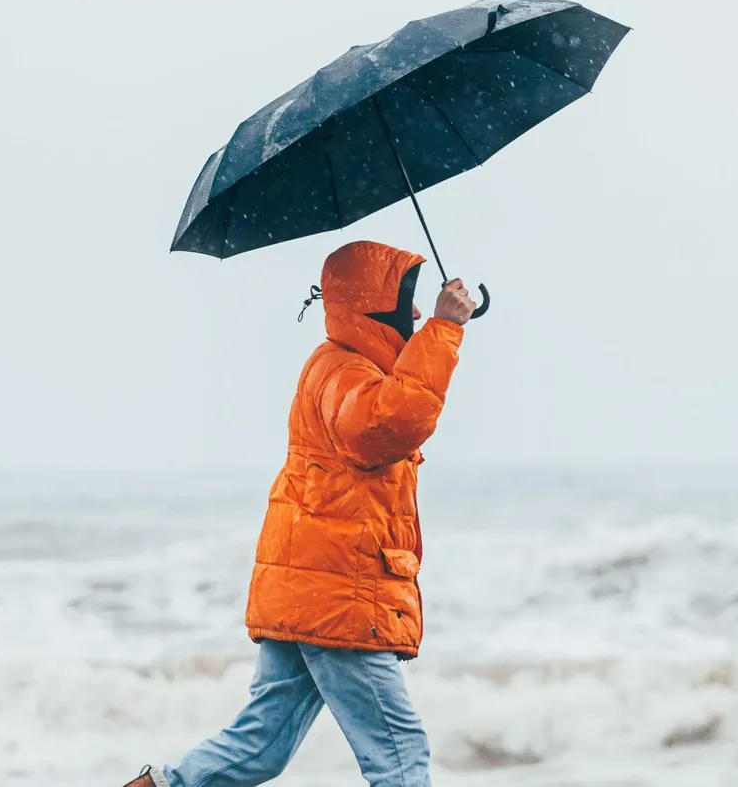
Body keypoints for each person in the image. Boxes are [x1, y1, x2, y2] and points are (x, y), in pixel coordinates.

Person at [125, 240, 477, 787]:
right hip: (340, 592)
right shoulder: (343, 372)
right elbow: (385, 428)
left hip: (312, 587)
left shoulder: (349, 368)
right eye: (405, 299)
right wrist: (443, 330)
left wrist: (436, 335)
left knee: (260, 745)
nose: (413, 311)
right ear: (372, 306)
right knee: (401, 756)